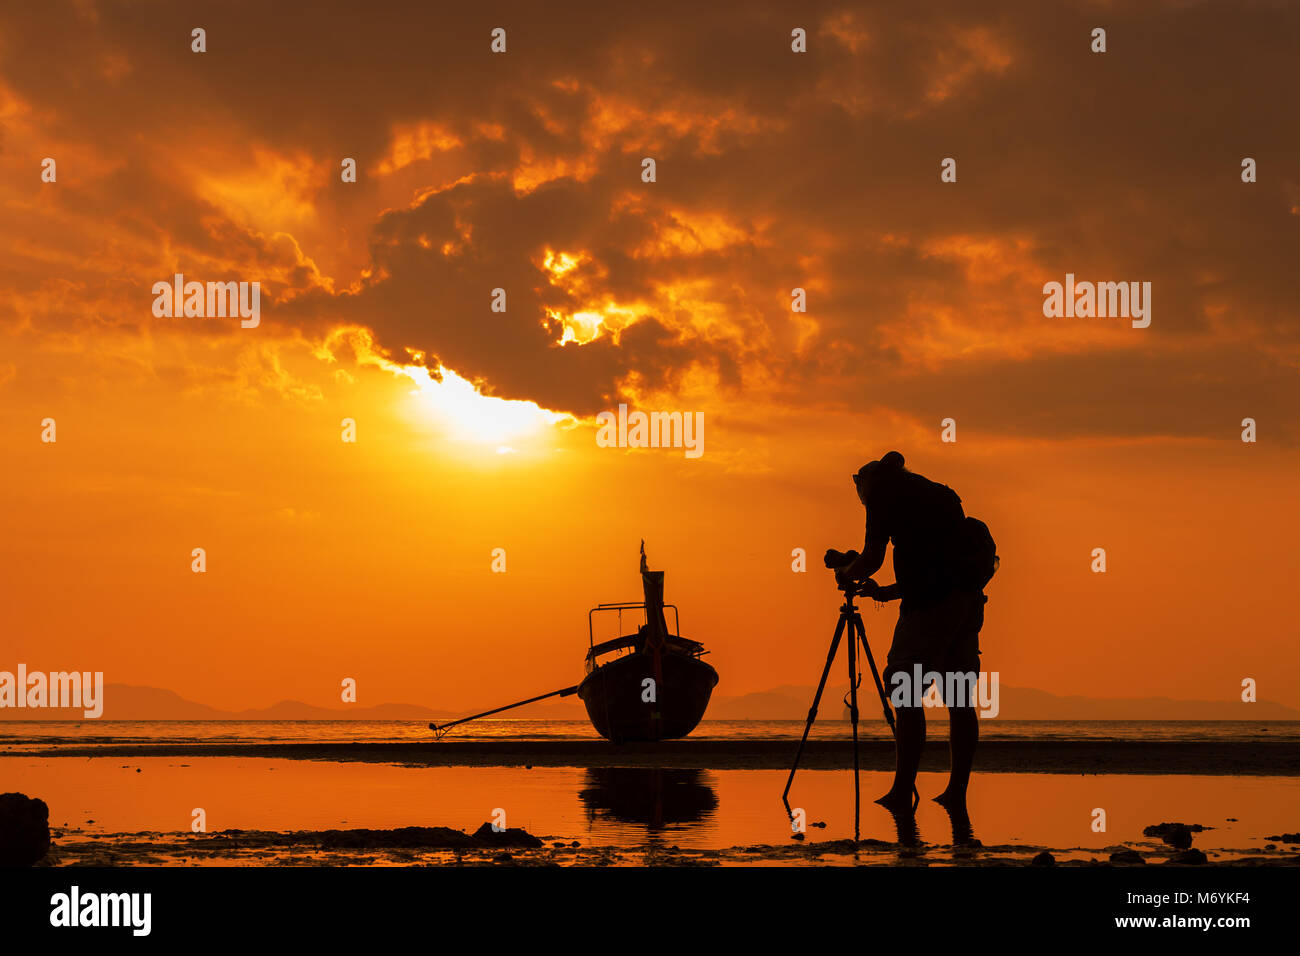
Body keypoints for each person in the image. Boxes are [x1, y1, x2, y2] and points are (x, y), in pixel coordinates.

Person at [825, 450, 988, 814]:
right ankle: (956, 791)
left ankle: (902, 790)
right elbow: (938, 565)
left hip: (929, 608)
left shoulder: (884, 493)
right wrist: (885, 592)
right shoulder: (935, 493)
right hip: (966, 604)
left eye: (858, 490)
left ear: (863, 483)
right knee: (959, 698)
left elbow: (872, 557)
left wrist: (846, 573)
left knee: (904, 688)